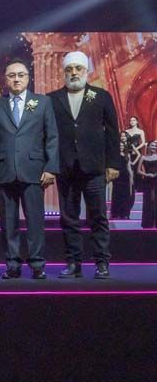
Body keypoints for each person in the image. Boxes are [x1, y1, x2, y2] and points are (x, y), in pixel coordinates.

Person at [47, 51, 121, 280]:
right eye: (69, 69)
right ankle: (73, 263)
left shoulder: (101, 96)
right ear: (64, 72)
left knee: (98, 217)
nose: (74, 73)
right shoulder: (52, 98)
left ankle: (102, 263)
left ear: (86, 71)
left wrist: (113, 163)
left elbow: (112, 132)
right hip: (66, 168)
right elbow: (47, 135)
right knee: (69, 219)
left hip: (95, 168)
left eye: (78, 68)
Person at [0, 60, 59, 279]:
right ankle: (12, 264)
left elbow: (52, 137)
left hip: (34, 170)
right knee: (8, 223)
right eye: (12, 75)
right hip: (4, 170)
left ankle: (37, 264)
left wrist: (51, 167)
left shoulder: (42, 102)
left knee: (35, 221)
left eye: (21, 75)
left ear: (28, 78)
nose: (16, 79)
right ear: (5, 79)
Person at [110, 132, 135, 220]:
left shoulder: (127, 155)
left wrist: (131, 178)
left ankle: (124, 214)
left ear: (124, 147)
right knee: (117, 195)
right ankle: (116, 214)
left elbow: (129, 167)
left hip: (125, 176)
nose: (121, 147)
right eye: (119, 146)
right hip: (117, 176)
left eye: (122, 146)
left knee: (126, 196)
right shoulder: (114, 155)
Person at [138, 141, 157, 228]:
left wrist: (155, 174)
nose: (154, 147)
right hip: (147, 181)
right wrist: (147, 174)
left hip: (156, 180)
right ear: (148, 147)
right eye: (152, 145)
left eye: (155, 146)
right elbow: (138, 170)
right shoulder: (143, 157)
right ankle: (148, 223)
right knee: (148, 201)